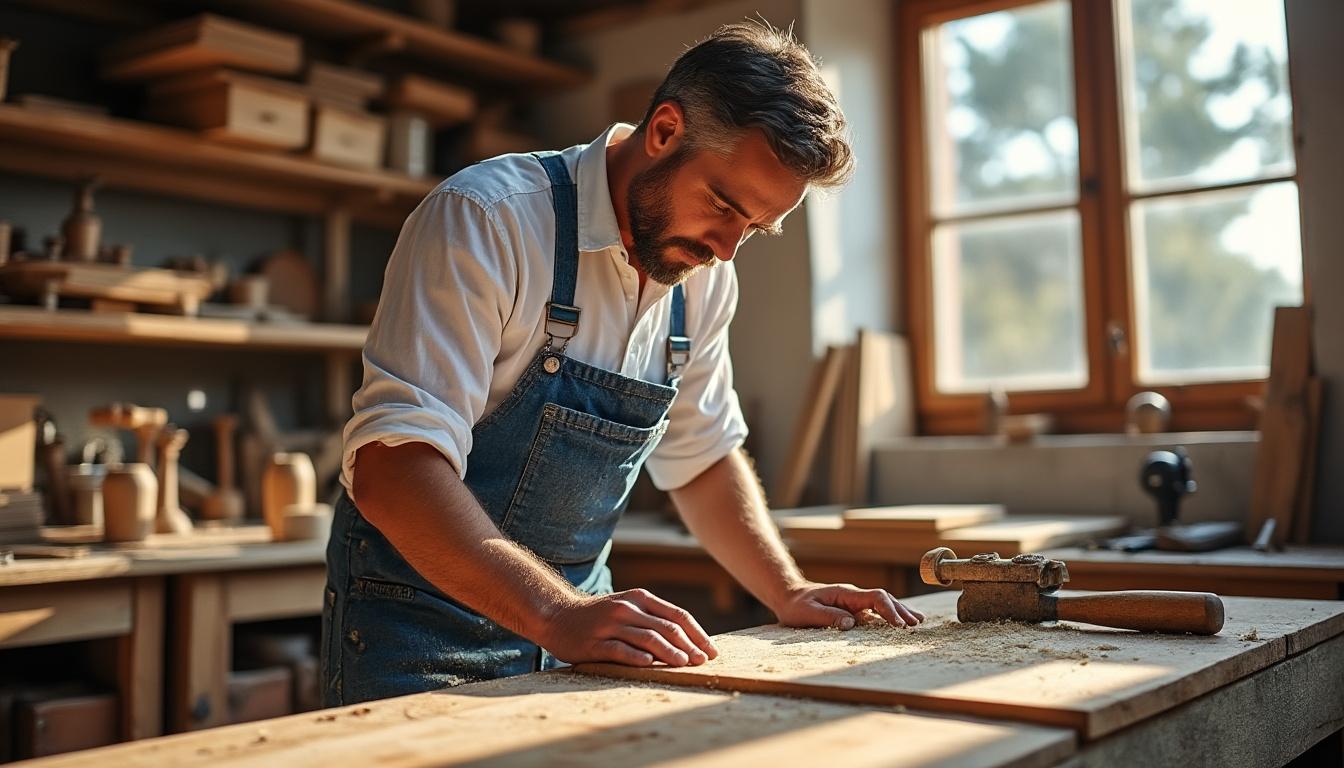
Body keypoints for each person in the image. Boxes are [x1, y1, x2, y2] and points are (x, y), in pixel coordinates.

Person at [322, 19, 925, 707]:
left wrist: (788, 589)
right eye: (723, 206)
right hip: (416, 632)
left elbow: (702, 458)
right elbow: (393, 470)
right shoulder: (488, 219)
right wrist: (557, 613)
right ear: (665, 131)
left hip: (577, 634)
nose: (727, 250)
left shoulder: (704, 277)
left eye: (753, 228)